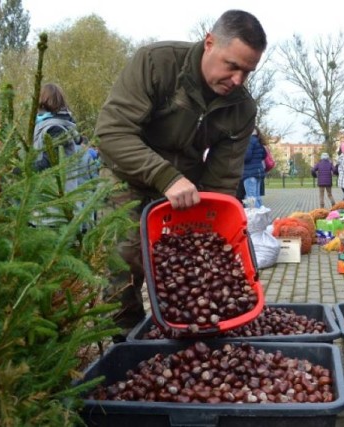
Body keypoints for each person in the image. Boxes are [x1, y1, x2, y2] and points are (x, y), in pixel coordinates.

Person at [95, 10, 267, 335]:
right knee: (126, 261)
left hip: (185, 191)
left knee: (189, 266)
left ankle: (189, 333)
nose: (238, 81)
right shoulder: (156, 64)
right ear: (209, 43)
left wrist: (211, 235)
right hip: (129, 176)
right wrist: (166, 177)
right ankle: (121, 341)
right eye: (232, 66)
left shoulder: (242, 107)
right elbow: (112, 133)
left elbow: (222, 179)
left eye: (247, 72)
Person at [242, 127, 267, 207]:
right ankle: (260, 216)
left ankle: (253, 218)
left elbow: (246, 157)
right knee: (257, 197)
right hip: (258, 173)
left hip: (249, 173)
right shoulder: (258, 141)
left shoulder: (250, 140)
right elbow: (264, 155)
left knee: (250, 198)